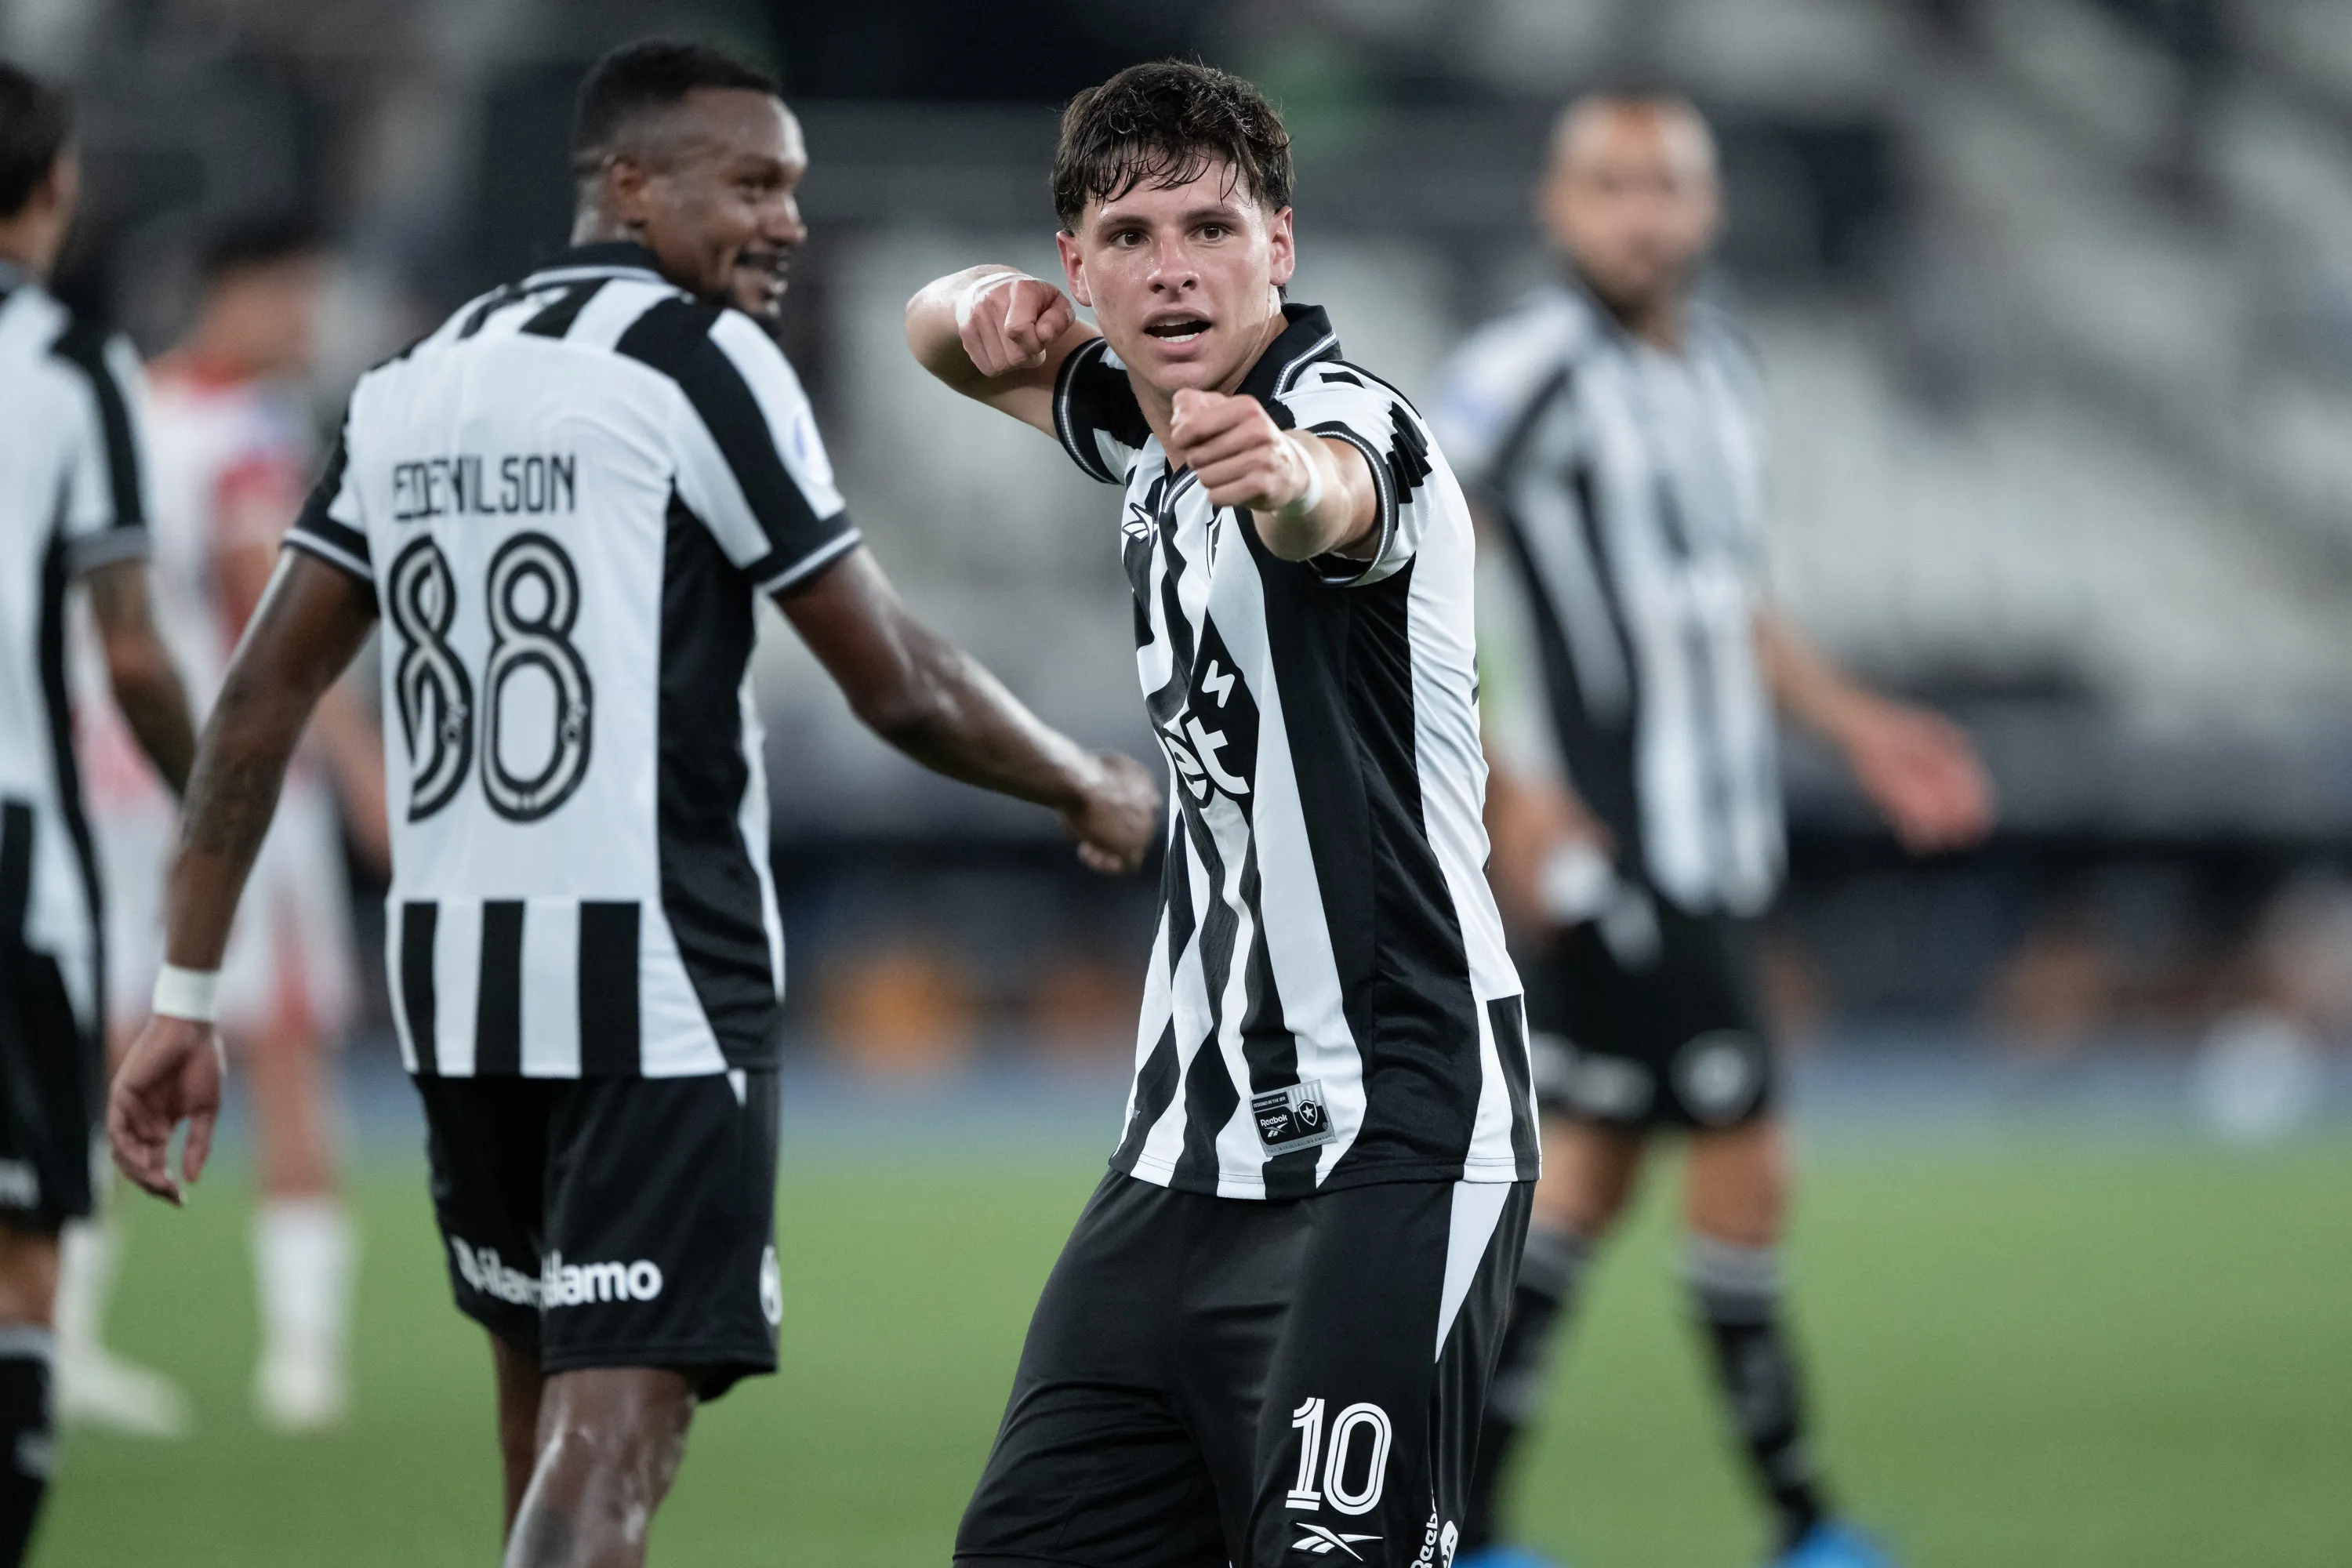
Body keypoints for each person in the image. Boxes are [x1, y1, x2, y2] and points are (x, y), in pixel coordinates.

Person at [107, 39, 1157, 1568]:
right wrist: (1084, 778)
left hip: (458, 991)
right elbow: (894, 681)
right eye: (751, 185)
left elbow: (258, 700)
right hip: (650, 983)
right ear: (628, 185)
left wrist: (184, 993)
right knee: (613, 1451)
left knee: (540, 1430)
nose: (787, 221)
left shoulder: (412, 380)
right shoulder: (702, 362)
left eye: (793, 187)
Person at [907, 60, 1537, 1568]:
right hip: (1184, 1154)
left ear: (1281, 247)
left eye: (1211, 228)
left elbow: (1341, 499)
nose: (1173, 268)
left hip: (1392, 1133)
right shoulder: (1146, 434)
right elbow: (935, 337)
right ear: (1080, 268)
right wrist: (978, 303)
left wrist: (1284, 477)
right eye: (1129, 238)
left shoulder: (1344, 419)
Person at [1432, 95, 1994, 1568]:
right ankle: (1804, 1525)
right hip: (1614, 848)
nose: (1640, 214)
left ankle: (1462, 1523)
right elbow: (1409, 563)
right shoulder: (1519, 373)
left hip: (1719, 838)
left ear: (1711, 207)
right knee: (1749, 1158)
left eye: (1666, 185)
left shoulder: (1724, 370)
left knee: (1592, 1175)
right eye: (1609, 185)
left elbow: (1724, 604)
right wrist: (1507, 789)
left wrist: (1860, 724)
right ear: (1558, 208)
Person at [61, 216, 386, 1437]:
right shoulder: (249, 432)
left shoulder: (116, 410)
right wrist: (365, 774)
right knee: (286, 1052)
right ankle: (304, 1361)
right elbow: (276, 623)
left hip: (108, 783)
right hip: (242, 790)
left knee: (108, 1050)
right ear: (233, 294)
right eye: (296, 299)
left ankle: (62, 1331)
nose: (308, 327)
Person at [0, 58, 199, 1563]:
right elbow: (129, 649)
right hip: (15, 865)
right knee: (20, 1266)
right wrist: (217, 806)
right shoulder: (69, 364)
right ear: (55, 186)